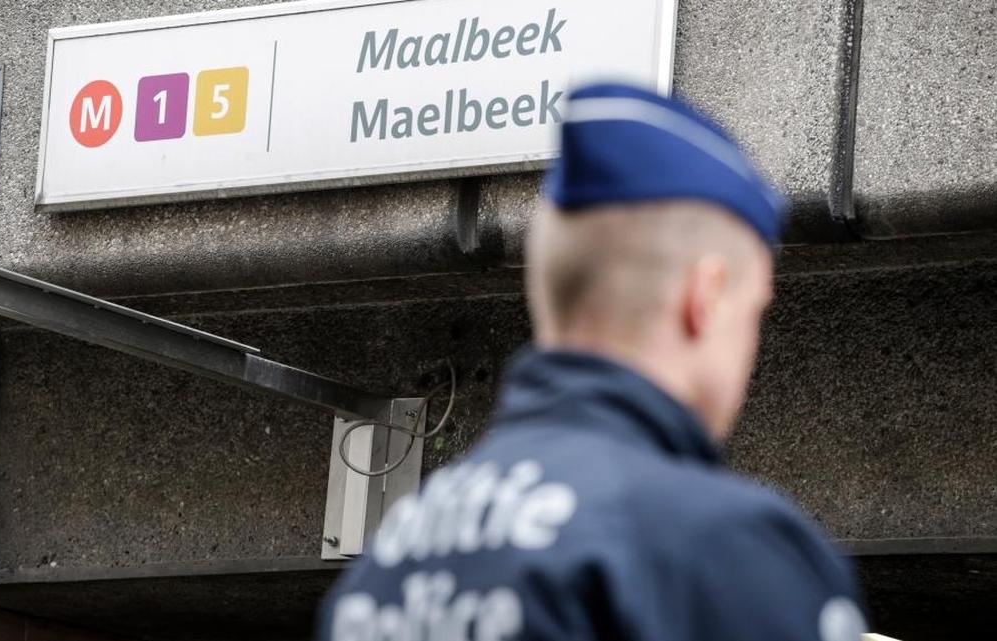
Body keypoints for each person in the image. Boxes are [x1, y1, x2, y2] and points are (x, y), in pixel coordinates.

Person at [316, 82, 867, 641]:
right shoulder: (725, 550)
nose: (750, 353)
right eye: (755, 313)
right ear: (704, 298)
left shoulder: (389, 563)